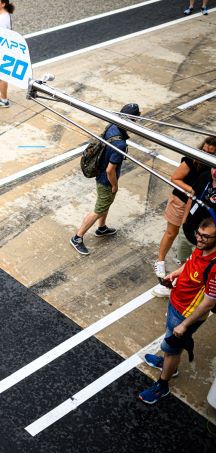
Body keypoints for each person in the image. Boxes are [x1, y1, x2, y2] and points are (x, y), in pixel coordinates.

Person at [139, 217, 216, 404]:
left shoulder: (215, 267)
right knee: (171, 345)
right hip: (176, 303)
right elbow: (189, 265)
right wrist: (175, 274)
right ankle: (169, 366)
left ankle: (163, 385)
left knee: (172, 349)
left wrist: (185, 324)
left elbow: (209, 302)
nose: (199, 239)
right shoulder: (201, 247)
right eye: (199, 233)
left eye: (206, 237)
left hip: (186, 315)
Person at [70, 103, 141, 255]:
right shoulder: (120, 143)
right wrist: (114, 185)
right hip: (106, 179)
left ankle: (101, 228)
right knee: (99, 209)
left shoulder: (112, 126)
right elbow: (110, 170)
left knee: (106, 203)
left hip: (100, 172)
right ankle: (77, 237)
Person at [152, 137, 216, 297]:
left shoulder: (210, 173)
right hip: (181, 201)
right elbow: (175, 179)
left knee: (192, 253)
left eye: (210, 153)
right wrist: (192, 191)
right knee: (172, 233)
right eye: (204, 151)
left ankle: (182, 278)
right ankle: (160, 261)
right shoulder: (193, 163)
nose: (205, 154)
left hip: (198, 218)